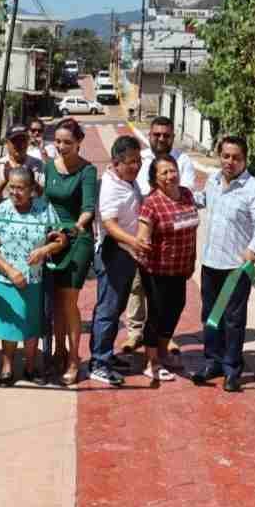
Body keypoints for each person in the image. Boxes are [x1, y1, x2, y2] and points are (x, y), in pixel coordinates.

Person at [191, 135, 255, 393]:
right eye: (226, 156)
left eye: (236, 157)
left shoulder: (254, 188)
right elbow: (203, 200)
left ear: (245, 159)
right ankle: (212, 362)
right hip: (211, 262)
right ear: (219, 156)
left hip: (235, 268)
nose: (230, 161)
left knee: (234, 321)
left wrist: (252, 249)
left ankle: (232, 370)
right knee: (210, 317)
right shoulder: (213, 181)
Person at [0, 167, 67, 386]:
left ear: (32, 190)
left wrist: (44, 250)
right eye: (11, 187)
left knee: (32, 324)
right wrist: (10, 271)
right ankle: (7, 366)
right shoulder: (1, 211)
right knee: (10, 326)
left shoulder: (44, 209)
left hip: (35, 279)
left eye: (20, 188)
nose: (15, 192)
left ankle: (31, 366)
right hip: (6, 279)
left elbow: (61, 239)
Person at [123, 116, 197, 360]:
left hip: (173, 248)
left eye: (166, 135)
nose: (161, 139)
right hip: (142, 237)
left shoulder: (182, 160)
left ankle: (161, 343)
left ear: (172, 137)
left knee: (169, 305)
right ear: (150, 135)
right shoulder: (140, 158)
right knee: (140, 292)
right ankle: (136, 334)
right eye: (157, 135)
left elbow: (182, 194)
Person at [88, 135, 147, 386]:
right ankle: (99, 363)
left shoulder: (127, 181)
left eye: (138, 161)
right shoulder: (111, 187)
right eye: (131, 162)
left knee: (116, 308)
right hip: (114, 253)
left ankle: (107, 355)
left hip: (127, 254)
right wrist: (134, 243)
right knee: (107, 310)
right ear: (116, 162)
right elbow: (110, 224)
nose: (137, 166)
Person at [136, 153, 200, 383]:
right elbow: (142, 236)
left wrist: (192, 260)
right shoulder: (151, 203)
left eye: (172, 170)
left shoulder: (186, 194)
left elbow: (192, 229)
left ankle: (163, 352)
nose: (170, 175)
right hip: (157, 270)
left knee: (175, 308)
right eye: (164, 172)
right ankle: (151, 362)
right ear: (155, 178)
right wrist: (142, 243)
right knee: (157, 313)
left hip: (181, 268)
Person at [45, 117, 97, 385]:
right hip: (53, 238)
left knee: (68, 300)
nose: (61, 147)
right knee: (55, 301)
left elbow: (88, 208)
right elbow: (43, 203)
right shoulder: (48, 168)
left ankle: (74, 358)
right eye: (58, 141)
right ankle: (58, 351)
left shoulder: (87, 171)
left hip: (78, 240)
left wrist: (76, 227)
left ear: (78, 143)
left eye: (67, 142)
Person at [0, 125, 44, 205]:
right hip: (1, 215)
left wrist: (30, 178)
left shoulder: (38, 164)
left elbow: (44, 195)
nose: (19, 144)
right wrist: (5, 180)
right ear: (7, 143)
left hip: (31, 214)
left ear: (28, 142)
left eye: (22, 140)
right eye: (14, 141)